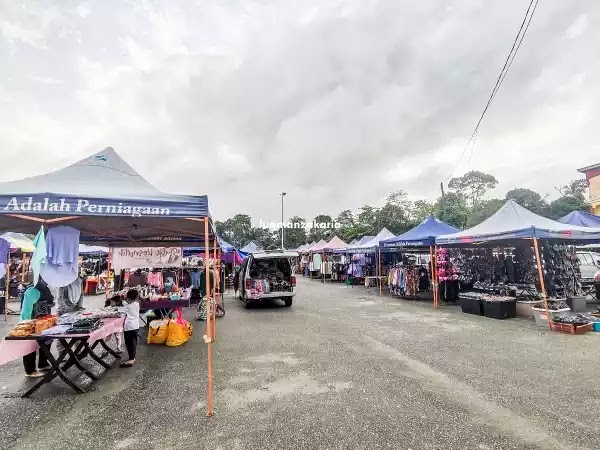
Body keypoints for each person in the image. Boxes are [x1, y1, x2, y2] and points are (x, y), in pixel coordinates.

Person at [21, 279, 53, 377]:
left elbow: (49, 301)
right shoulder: (31, 291)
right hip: (32, 321)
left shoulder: (45, 288)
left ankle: (43, 363)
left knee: (47, 341)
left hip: (44, 321)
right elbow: (26, 311)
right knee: (30, 345)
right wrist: (28, 324)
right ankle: (30, 370)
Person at [118, 289, 140, 368]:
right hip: (136, 326)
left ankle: (131, 359)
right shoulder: (137, 304)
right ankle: (133, 357)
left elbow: (119, 310)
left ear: (128, 298)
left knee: (129, 344)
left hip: (129, 328)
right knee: (133, 343)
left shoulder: (128, 307)